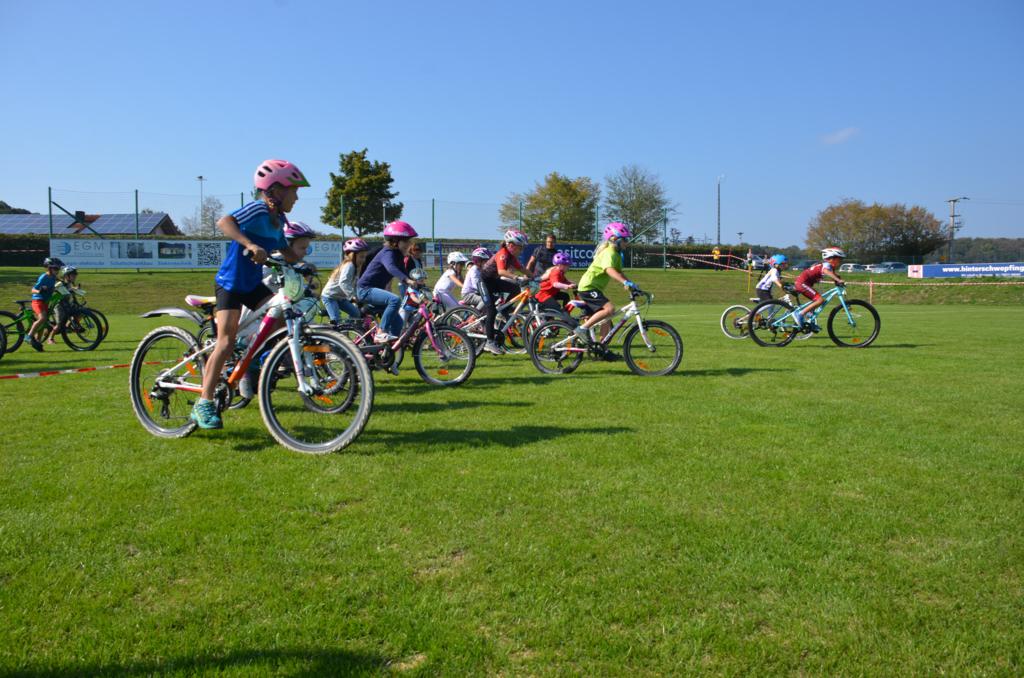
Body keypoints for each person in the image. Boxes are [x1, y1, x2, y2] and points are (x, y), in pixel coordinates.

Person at [190, 158, 310, 430]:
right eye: (294, 190)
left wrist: (302, 264)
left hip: (253, 284)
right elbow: (224, 222)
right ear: (275, 190)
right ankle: (204, 402)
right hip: (231, 284)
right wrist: (250, 244)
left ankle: (250, 360)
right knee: (225, 341)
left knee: (280, 320)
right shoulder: (257, 209)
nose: (297, 197)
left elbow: (285, 250)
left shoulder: (278, 220)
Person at [574, 222, 638, 359]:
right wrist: (624, 282)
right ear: (615, 239)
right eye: (625, 239)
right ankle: (582, 329)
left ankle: (602, 350)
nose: (627, 243)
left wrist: (631, 285)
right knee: (609, 309)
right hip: (588, 287)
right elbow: (609, 270)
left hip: (594, 288)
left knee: (607, 318)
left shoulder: (617, 254)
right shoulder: (609, 252)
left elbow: (619, 272)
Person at [356, 220, 419, 344]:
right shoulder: (387, 252)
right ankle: (381, 333)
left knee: (398, 324)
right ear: (395, 241)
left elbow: (403, 272)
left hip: (373, 291)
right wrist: (406, 280)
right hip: (365, 290)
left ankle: (387, 351)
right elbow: (391, 268)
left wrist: (418, 284)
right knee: (395, 300)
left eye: (409, 241)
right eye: (406, 241)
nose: (409, 244)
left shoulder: (398, 255)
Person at [479, 230, 529, 354]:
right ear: (511, 245)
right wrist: (516, 277)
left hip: (494, 281)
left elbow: (522, 268)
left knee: (515, 289)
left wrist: (536, 277)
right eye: (520, 247)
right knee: (491, 310)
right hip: (484, 282)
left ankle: (504, 311)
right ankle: (489, 342)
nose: (521, 250)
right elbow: (501, 271)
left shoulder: (511, 257)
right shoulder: (503, 254)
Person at [792, 247, 846, 327]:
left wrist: (838, 280)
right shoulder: (827, 265)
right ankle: (800, 314)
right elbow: (826, 271)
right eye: (839, 259)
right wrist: (838, 280)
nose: (841, 261)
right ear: (832, 258)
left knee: (820, 300)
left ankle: (809, 316)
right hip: (802, 284)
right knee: (820, 300)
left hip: (804, 284)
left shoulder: (830, 267)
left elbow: (833, 275)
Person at [321, 238, 368, 323]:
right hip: (330, 296)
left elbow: (354, 284)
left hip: (340, 297)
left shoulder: (356, 267)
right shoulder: (349, 265)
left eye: (364, 257)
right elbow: (343, 283)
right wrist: (352, 297)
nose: (363, 260)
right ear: (353, 256)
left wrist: (357, 297)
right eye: (361, 257)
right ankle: (336, 328)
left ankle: (345, 328)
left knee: (356, 314)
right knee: (337, 321)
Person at [26, 257, 62, 351]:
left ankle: (37, 342)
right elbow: (33, 290)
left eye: (58, 269)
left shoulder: (53, 277)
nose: (57, 271)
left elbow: (60, 282)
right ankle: (29, 336)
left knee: (43, 323)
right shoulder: (44, 277)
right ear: (49, 268)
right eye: (56, 268)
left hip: (45, 301)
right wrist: (39, 291)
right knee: (42, 318)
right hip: (38, 300)